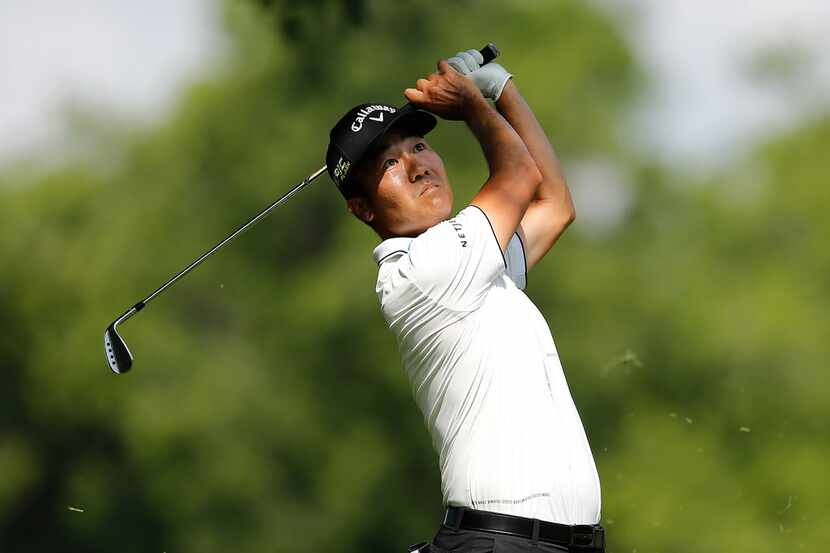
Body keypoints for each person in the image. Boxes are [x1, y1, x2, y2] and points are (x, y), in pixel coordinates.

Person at [325, 49, 605, 553]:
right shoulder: (424, 271)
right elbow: (519, 178)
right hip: (501, 542)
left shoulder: (478, 263)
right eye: (389, 163)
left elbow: (555, 206)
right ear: (361, 207)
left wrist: (503, 93)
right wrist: (476, 105)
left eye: (418, 145)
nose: (416, 166)